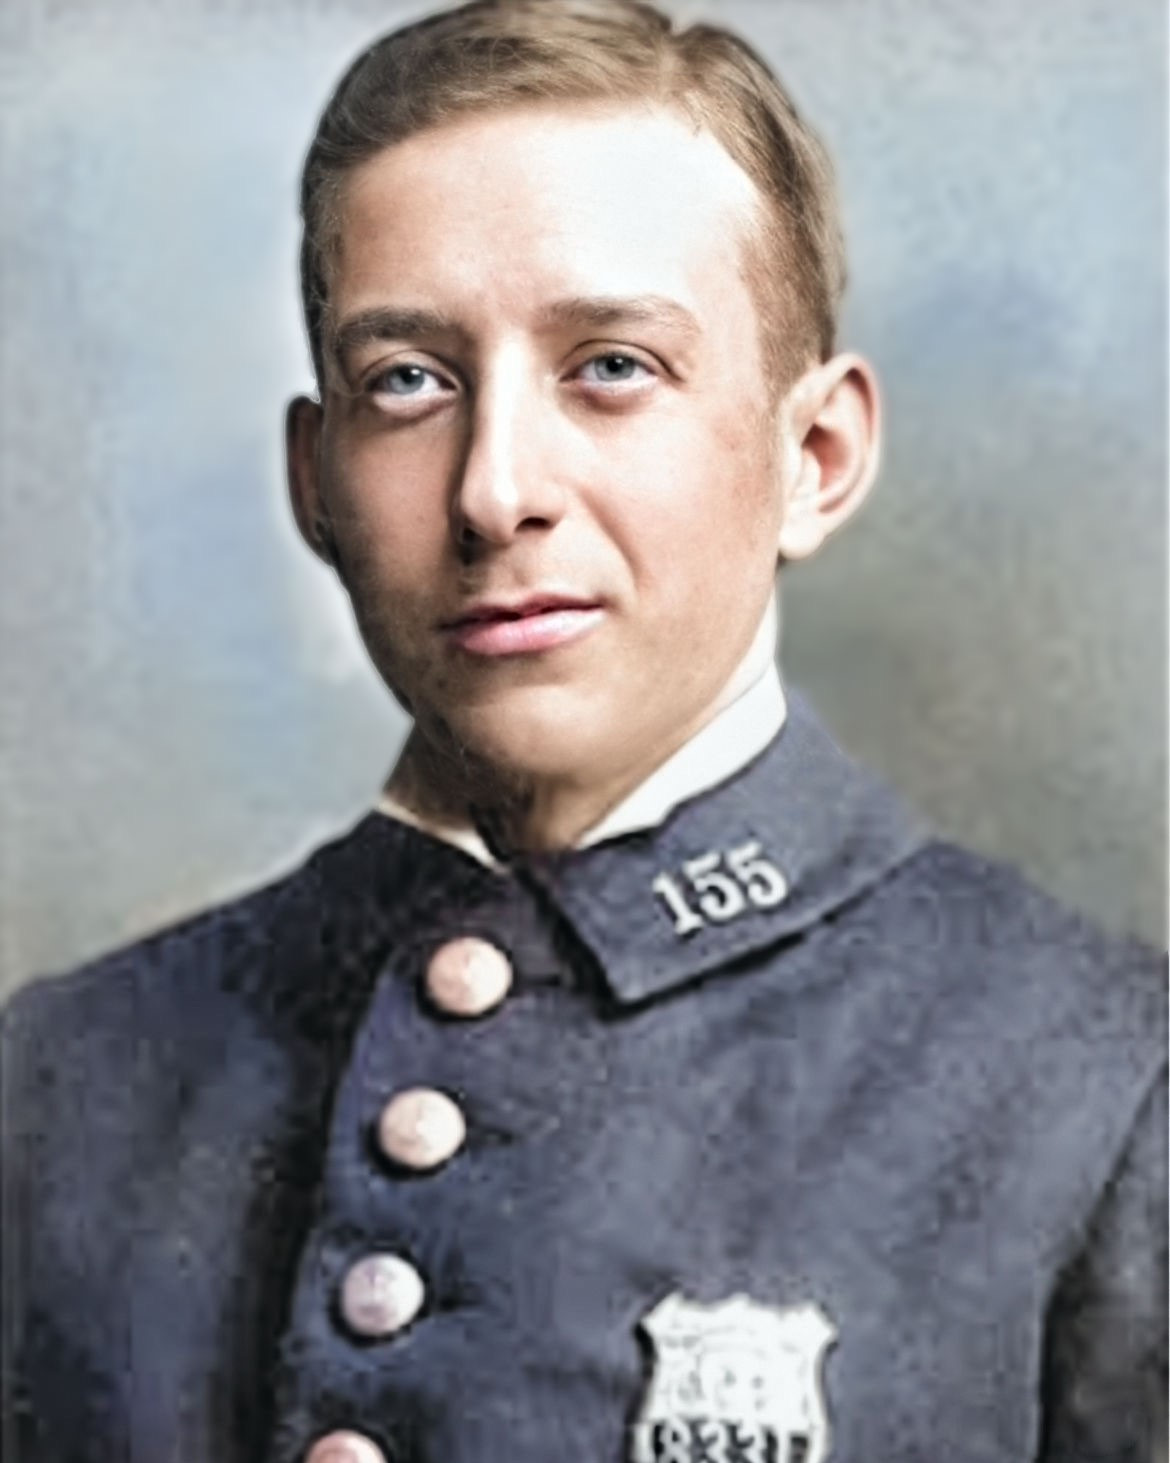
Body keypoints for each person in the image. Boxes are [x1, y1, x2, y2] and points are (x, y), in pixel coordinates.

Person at [2, 1, 1164, 1460]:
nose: (495, 491)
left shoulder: (1100, 1086)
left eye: (611, 365)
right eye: (407, 382)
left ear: (811, 458)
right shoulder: (58, 1082)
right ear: (314, 481)